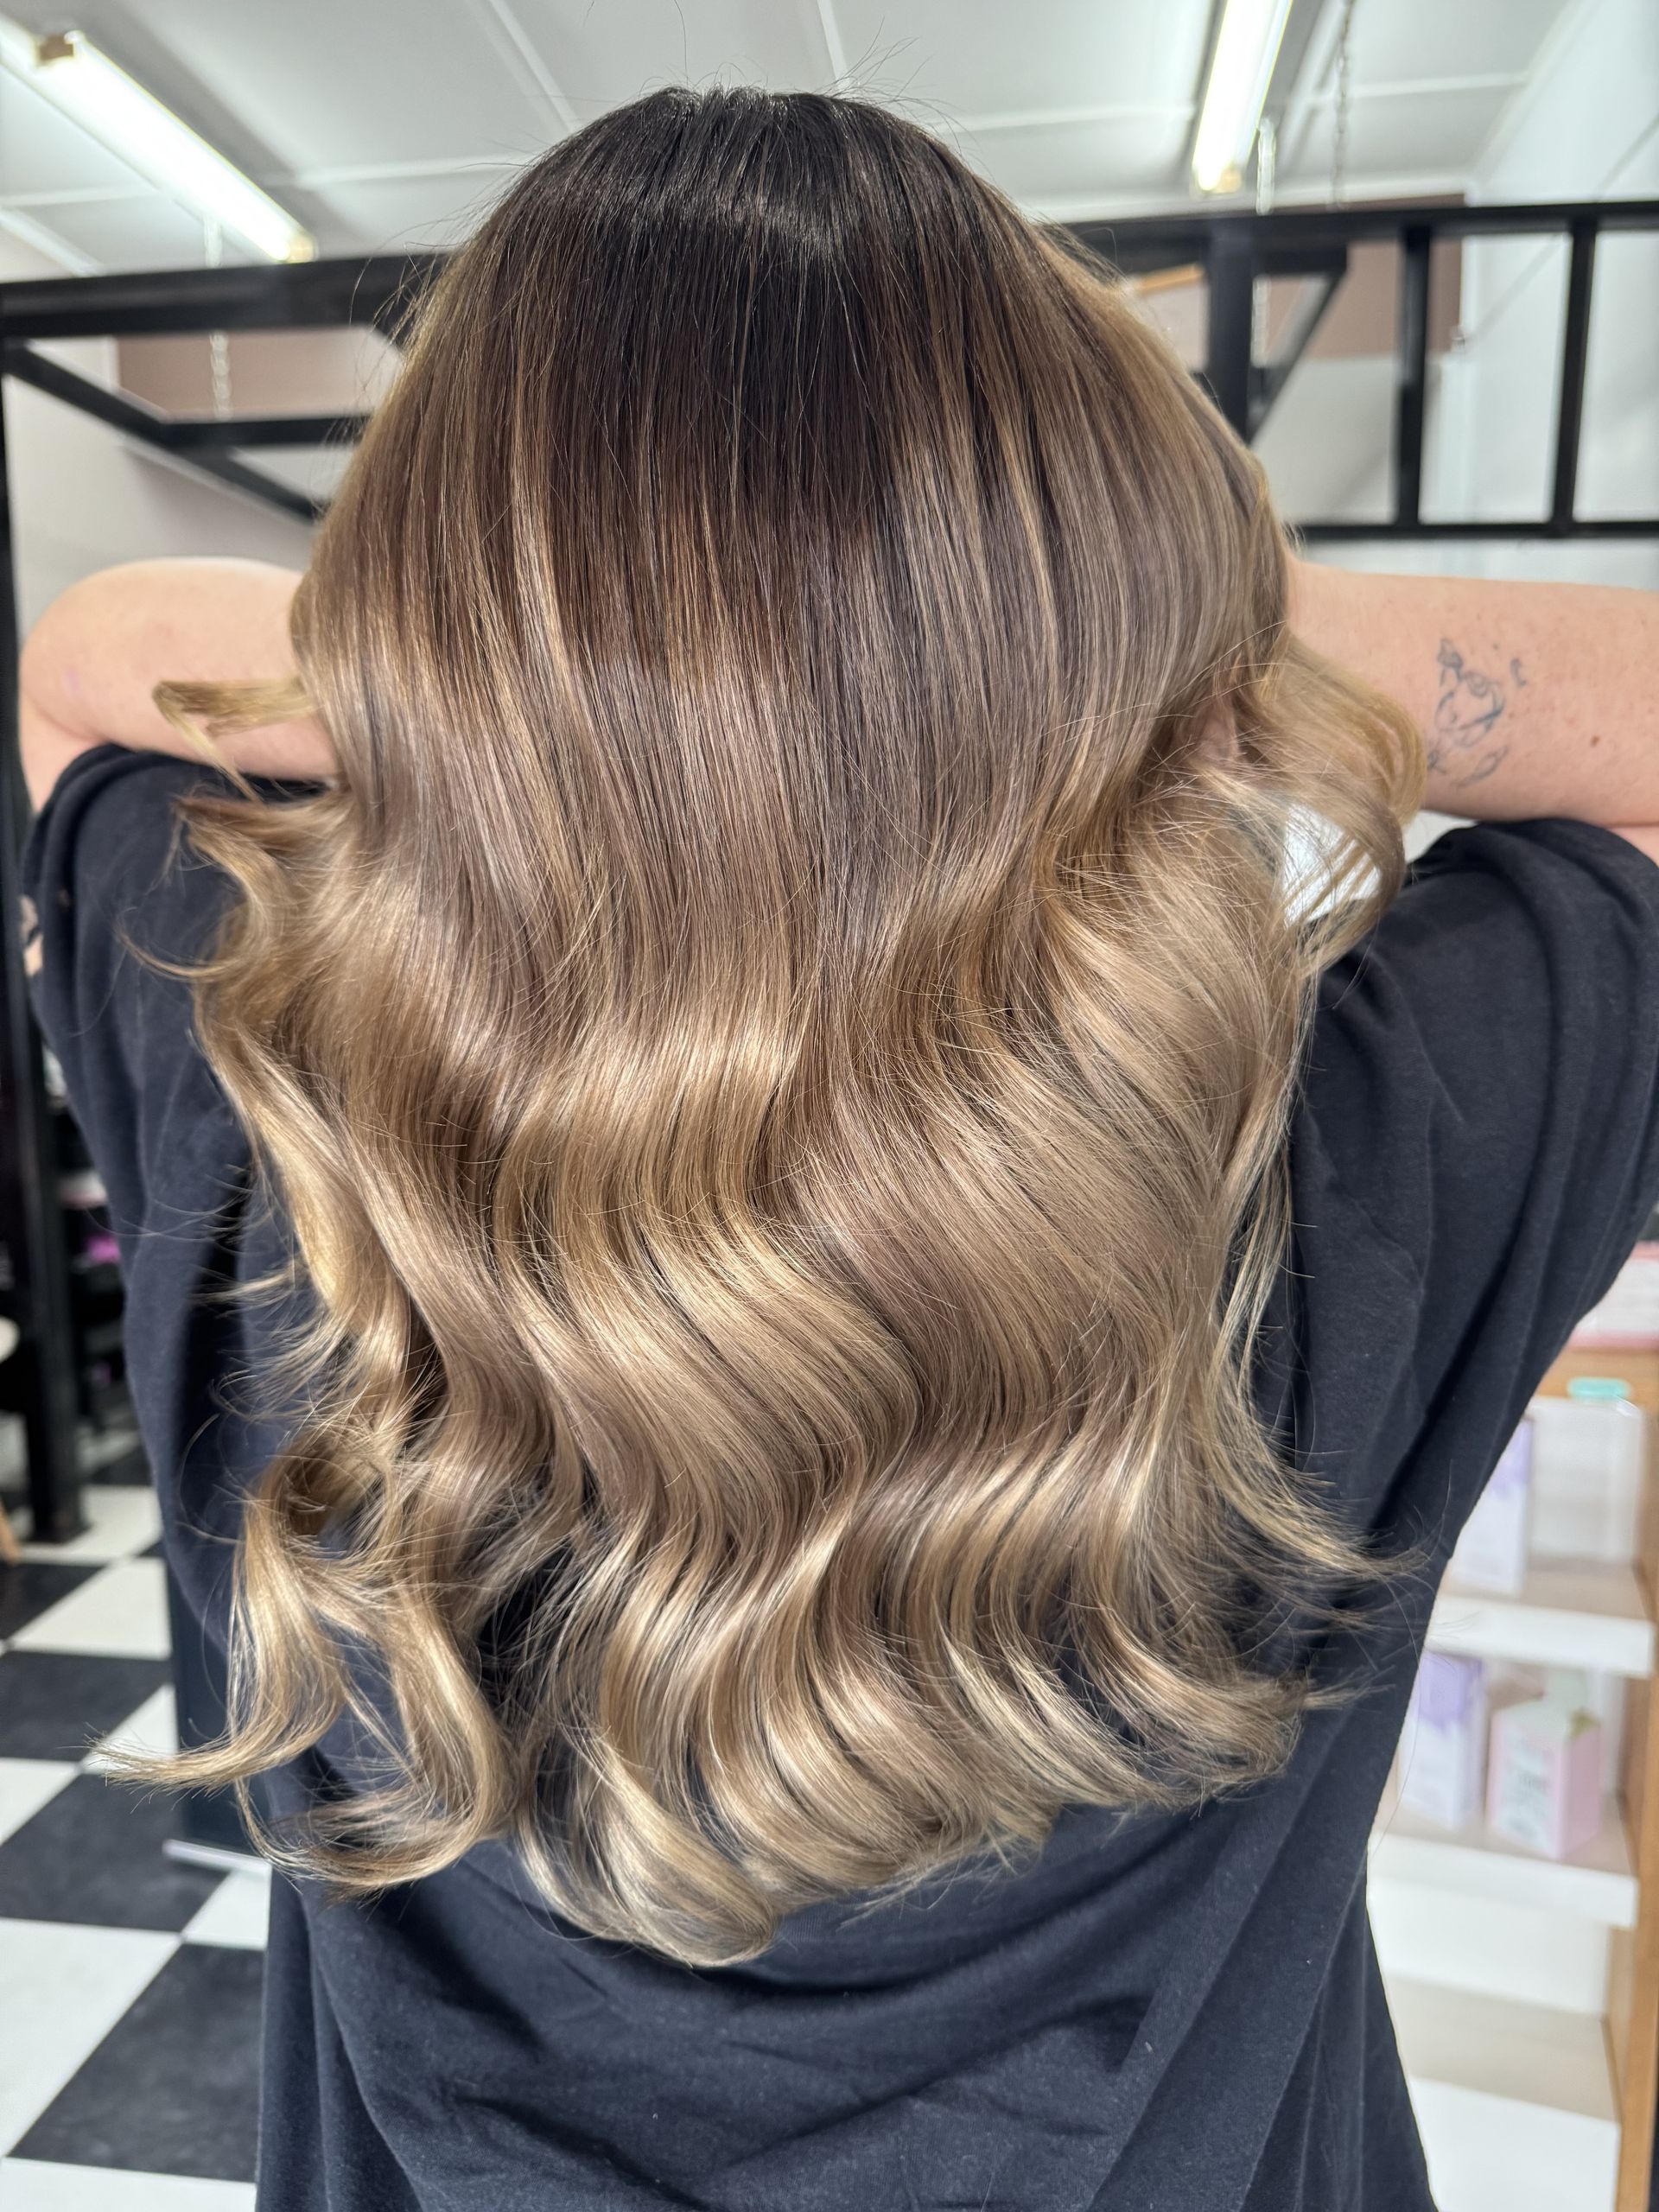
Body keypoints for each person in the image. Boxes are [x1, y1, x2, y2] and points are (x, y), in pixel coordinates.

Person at [16, 84, 1659, 2212]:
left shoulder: (281, 1154)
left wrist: (572, 664)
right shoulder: (1331, 1173)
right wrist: (1128, 622)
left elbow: (88, 667)